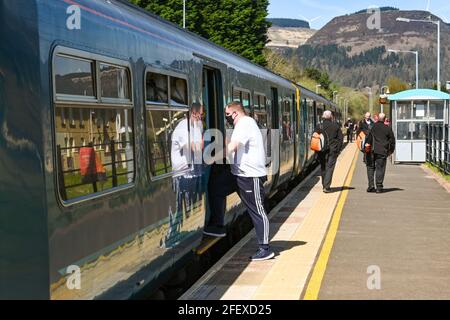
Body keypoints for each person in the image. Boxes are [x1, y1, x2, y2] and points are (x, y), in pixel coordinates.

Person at [205, 101, 274, 261]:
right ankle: (217, 225)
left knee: (257, 210)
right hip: (238, 174)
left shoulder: (245, 124)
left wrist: (211, 158)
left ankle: (265, 248)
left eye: (227, 115)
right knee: (217, 187)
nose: (226, 118)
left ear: (235, 113)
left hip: (251, 176)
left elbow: (233, 146)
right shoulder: (241, 125)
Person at [165, 102, 204, 247]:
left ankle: (180, 233)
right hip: (181, 176)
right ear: (194, 113)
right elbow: (193, 148)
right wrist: (202, 138)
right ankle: (171, 237)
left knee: (186, 209)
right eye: (201, 115)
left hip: (190, 175)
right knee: (178, 208)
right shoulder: (183, 128)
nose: (202, 118)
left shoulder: (194, 127)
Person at [365, 113, 395, 193]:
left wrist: (366, 149)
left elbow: (367, 138)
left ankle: (371, 186)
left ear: (378, 118)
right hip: (382, 151)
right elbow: (392, 141)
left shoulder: (372, 126)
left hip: (371, 150)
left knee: (370, 167)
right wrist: (390, 151)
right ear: (385, 119)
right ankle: (379, 187)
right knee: (380, 168)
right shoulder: (387, 128)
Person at [315, 110, 343, 193]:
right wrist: (338, 150)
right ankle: (327, 187)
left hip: (321, 150)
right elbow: (340, 139)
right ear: (331, 117)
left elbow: (315, 138)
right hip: (332, 150)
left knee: (323, 167)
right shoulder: (336, 126)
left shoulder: (319, 126)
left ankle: (324, 184)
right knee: (330, 167)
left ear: (323, 117)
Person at [357, 112, 376, 192]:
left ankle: (372, 184)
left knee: (370, 166)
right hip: (365, 142)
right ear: (365, 116)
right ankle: (366, 159)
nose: (368, 117)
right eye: (366, 116)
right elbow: (358, 132)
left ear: (370, 116)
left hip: (371, 144)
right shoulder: (361, 123)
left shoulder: (373, 123)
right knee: (367, 154)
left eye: (369, 116)